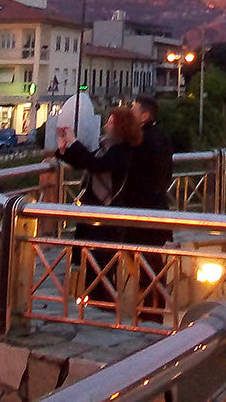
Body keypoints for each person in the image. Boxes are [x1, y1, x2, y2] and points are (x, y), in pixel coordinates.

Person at [57, 106, 141, 303]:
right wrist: (63, 150)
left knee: (101, 265)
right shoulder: (107, 148)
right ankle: (93, 302)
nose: (105, 125)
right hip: (94, 215)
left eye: (110, 121)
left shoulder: (122, 152)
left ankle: (103, 306)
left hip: (107, 219)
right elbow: (85, 161)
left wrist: (74, 141)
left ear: (120, 127)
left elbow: (96, 165)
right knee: (90, 264)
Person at [124, 95, 175, 322]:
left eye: (133, 110)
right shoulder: (163, 138)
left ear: (144, 115)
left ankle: (150, 315)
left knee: (149, 267)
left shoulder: (141, 140)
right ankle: (152, 312)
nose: (129, 113)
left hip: (142, 212)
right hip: (157, 209)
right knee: (152, 265)